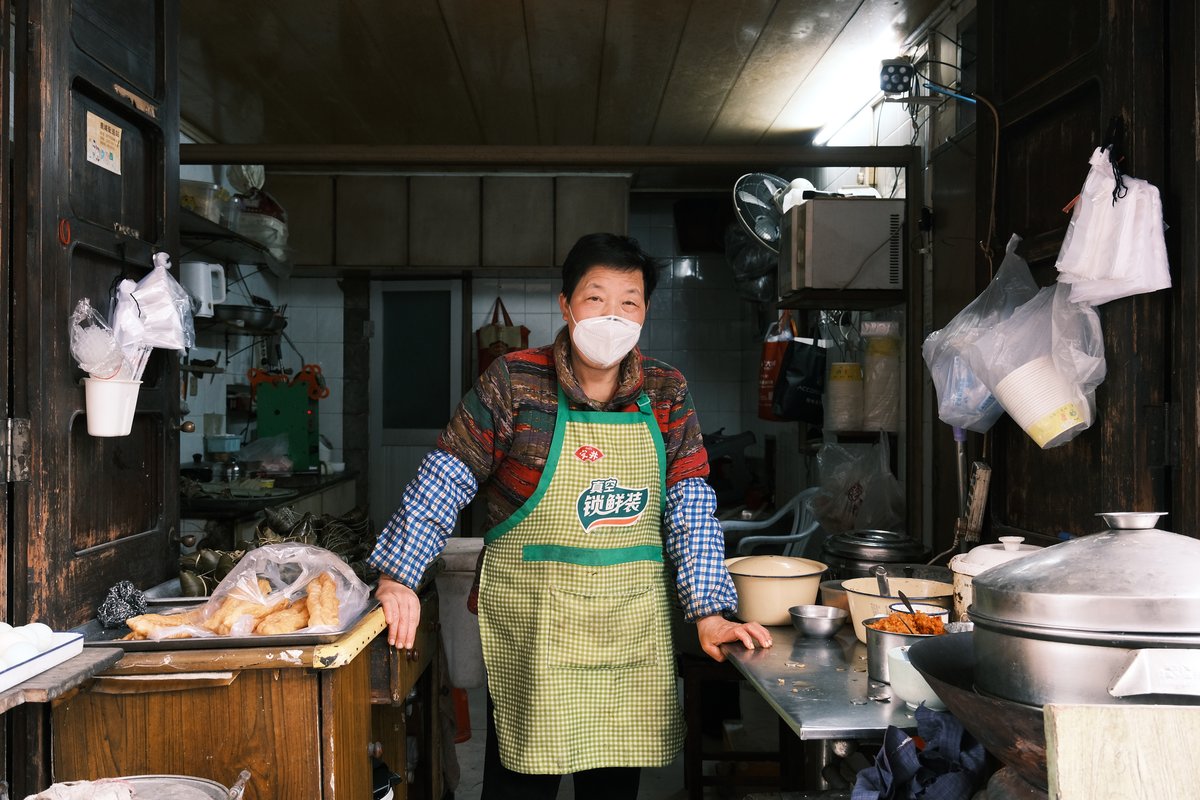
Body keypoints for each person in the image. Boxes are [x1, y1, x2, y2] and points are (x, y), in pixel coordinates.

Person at [368, 232, 772, 800]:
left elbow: (692, 505)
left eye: (628, 302)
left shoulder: (665, 390)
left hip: (628, 633)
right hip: (537, 629)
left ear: (645, 312)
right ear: (566, 305)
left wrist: (710, 611)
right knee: (520, 786)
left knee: (611, 786)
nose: (612, 316)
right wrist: (399, 578)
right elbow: (446, 475)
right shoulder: (513, 381)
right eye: (595, 298)